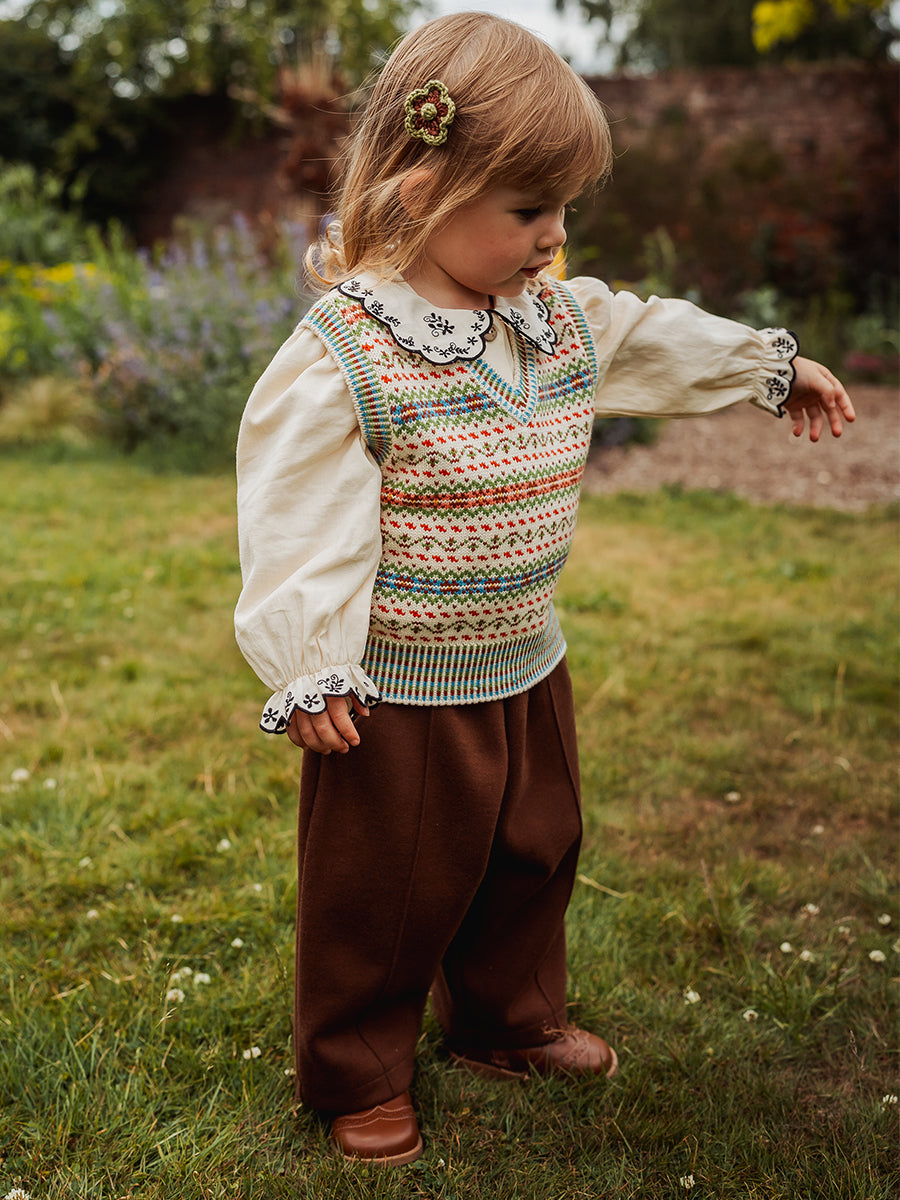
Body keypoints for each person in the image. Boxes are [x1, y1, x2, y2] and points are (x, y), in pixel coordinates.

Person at [234, 11, 854, 1168]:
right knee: (389, 885)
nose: (555, 235)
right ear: (422, 192)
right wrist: (310, 660)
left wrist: (767, 368)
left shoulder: (556, 320)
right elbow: (298, 510)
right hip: (399, 689)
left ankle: (507, 1019)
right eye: (528, 210)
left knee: (535, 845)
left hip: (525, 657)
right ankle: (359, 1064)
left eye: (564, 208)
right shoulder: (353, 351)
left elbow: (654, 335)